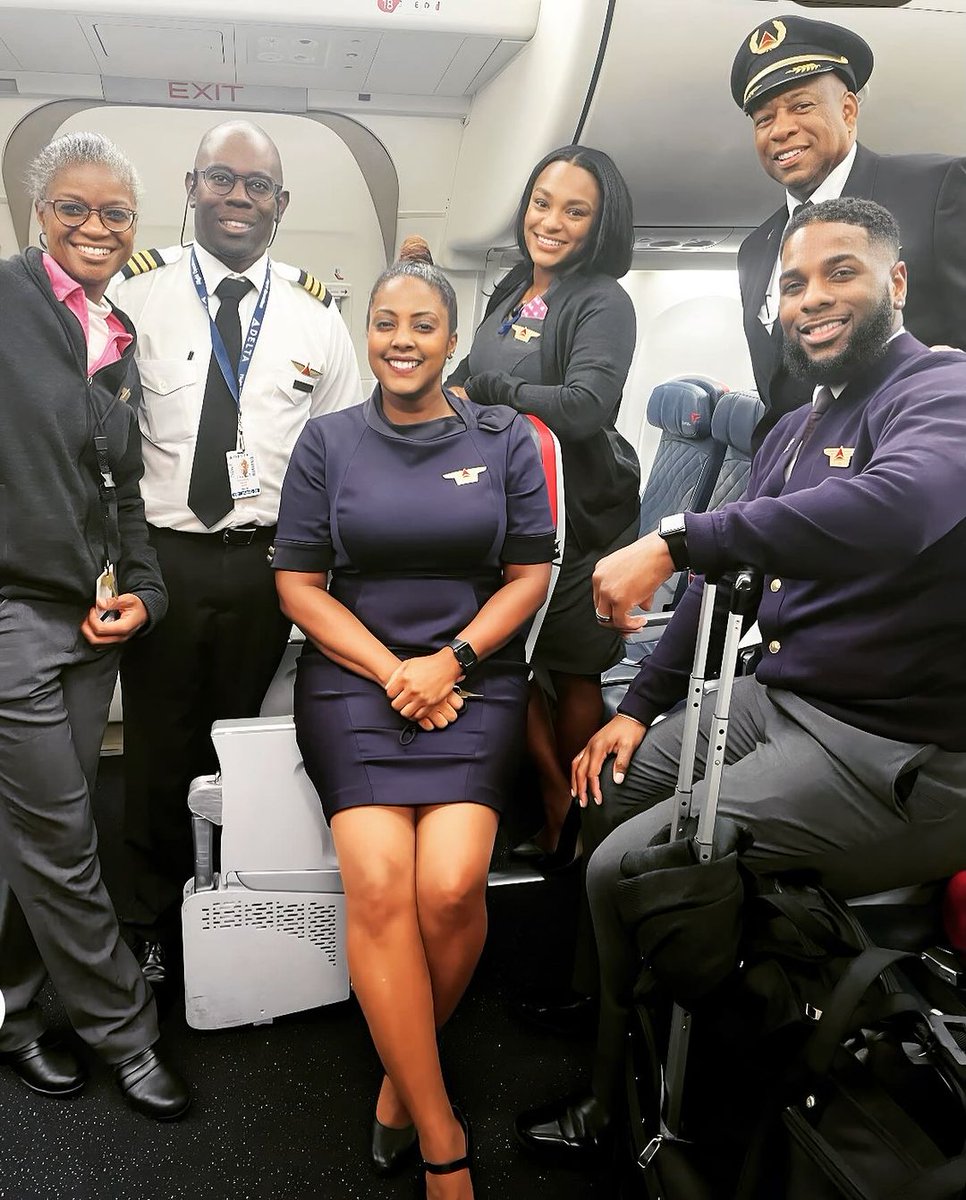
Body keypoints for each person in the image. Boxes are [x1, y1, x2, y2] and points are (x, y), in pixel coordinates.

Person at [515, 197, 966, 1161]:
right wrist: (635, 710)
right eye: (792, 283)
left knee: (624, 866)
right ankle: (616, 1011)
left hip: (893, 754)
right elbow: (726, 587)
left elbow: (900, 509)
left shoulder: (940, 390)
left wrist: (675, 538)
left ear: (895, 282)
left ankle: (617, 1110)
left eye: (840, 272)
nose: (811, 298)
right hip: (781, 701)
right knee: (605, 787)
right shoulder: (795, 426)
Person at [273, 239, 554, 1199]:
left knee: (449, 888)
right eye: (386, 323)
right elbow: (298, 587)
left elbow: (531, 576)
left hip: (474, 679)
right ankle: (439, 1133)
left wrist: (452, 663)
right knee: (383, 886)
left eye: (422, 325)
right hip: (358, 681)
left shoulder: (504, 437)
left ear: (451, 338)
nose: (402, 340)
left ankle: (399, 1077)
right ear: (369, 333)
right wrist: (398, 669)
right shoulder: (330, 441)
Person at [111, 120, 363, 981]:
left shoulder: (315, 317)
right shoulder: (134, 296)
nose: (237, 198)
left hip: (269, 562)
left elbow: (340, 453)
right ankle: (148, 914)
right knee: (155, 742)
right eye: (221, 179)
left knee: (245, 743)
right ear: (191, 187)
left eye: (257, 186)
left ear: (280, 204)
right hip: (164, 557)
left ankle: (232, 904)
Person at [0, 131, 189, 1119]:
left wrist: (148, 592)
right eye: (74, 207)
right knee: (67, 842)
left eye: (114, 212)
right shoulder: (5, 302)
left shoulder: (110, 339)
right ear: (40, 213)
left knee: (30, 840)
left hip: (86, 627)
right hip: (11, 621)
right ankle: (128, 1033)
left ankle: (16, 1015)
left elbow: (121, 502)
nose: (95, 226)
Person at [448, 145, 639, 875]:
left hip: (580, 518)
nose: (550, 221)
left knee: (571, 671)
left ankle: (586, 820)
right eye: (541, 202)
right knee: (505, 667)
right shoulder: (511, 290)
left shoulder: (601, 301)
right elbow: (465, 377)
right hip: (512, 514)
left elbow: (587, 407)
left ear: (599, 225)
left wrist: (490, 390)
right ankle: (555, 796)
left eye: (574, 210)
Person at [732, 14, 966, 443]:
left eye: (801, 106)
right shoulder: (755, 249)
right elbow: (780, 399)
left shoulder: (936, 190)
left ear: (848, 109)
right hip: (796, 494)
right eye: (764, 118)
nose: (781, 129)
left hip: (916, 479)